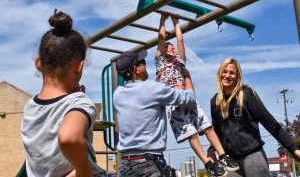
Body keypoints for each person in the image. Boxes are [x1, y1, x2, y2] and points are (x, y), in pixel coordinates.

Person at [21, 10, 106, 177]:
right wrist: (83, 171)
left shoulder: (30, 108)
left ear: (38, 63)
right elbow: (69, 137)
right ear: (79, 66)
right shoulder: (80, 103)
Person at [155, 10, 239, 177]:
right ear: (162, 52)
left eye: (171, 47)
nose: (169, 48)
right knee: (191, 134)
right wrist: (163, 20)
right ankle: (208, 163)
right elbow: (161, 38)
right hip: (174, 105)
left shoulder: (180, 61)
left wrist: (176, 22)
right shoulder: (160, 62)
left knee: (207, 126)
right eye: (166, 47)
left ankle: (223, 156)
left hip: (189, 100)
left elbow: (180, 39)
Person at [209, 58, 300, 177]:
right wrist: (211, 150)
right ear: (220, 73)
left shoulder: (246, 94)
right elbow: (216, 133)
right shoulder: (215, 102)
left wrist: (294, 149)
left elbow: (271, 124)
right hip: (229, 160)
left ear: (237, 76)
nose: (227, 75)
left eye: (232, 73)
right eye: (225, 71)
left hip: (252, 155)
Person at [113, 49, 196, 177]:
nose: (146, 66)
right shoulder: (154, 89)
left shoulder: (117, 94)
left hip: (125, 164)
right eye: (143, 63)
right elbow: (189, 98)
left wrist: (157, 86)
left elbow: (141, 102)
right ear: (136, 69)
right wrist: (186, 74)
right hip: (149, 163)